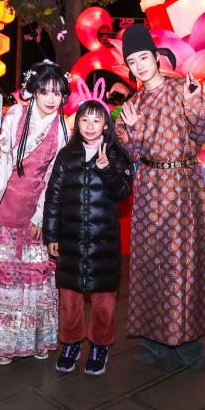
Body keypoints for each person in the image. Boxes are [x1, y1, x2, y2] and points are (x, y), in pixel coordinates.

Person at [115, 24, 205, 370]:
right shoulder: (131, 106)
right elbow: (129, 154)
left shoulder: (182, 89)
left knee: (185, 262)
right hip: (149, 190)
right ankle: (153, 336)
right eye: (132, 62)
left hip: (185, 187)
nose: (139, 66)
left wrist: (194, 103)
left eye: (143, 58)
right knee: (150, 261)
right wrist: (132, 130)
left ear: (156, 57)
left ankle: (189, 339)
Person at [0, 61, 69, 364]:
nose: (50, 99)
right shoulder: (15, 115)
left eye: (57, 93)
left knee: (35, 279)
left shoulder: (62, 129)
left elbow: (54, 178)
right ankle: (0, 342)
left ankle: (36, 339)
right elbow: (1, 156)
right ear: (34, 92)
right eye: (44, 91)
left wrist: (41, 216)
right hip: (2, 206)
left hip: (33, 213)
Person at [43, 90, 131, 376]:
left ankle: (99, 346)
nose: (90, 125)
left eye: (96, 120)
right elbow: (53, 197)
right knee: (70, 298)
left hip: (104, 241)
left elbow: (123, 193)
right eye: (84, 119)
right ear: (77, 123)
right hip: (70, 239)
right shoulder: (66, 155)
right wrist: (51, 235)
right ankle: (70, 344)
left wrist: (107, 170)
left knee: (104, 301)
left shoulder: (117, 155)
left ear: (106, 125)